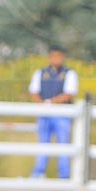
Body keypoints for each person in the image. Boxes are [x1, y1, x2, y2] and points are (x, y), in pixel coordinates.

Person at [28, 45, 78, 179]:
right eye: (54, 56)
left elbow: (68, 94)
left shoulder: (69, 73)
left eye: (59, 56)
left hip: (62, 115)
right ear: (49, 57)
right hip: (44, 114)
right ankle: (38, 174)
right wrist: (42, 104)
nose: (56, 59)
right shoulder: (40, 73)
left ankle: (63, 176)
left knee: (63, 144)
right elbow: (33, 91)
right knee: (42, 144)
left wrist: (50, 102)